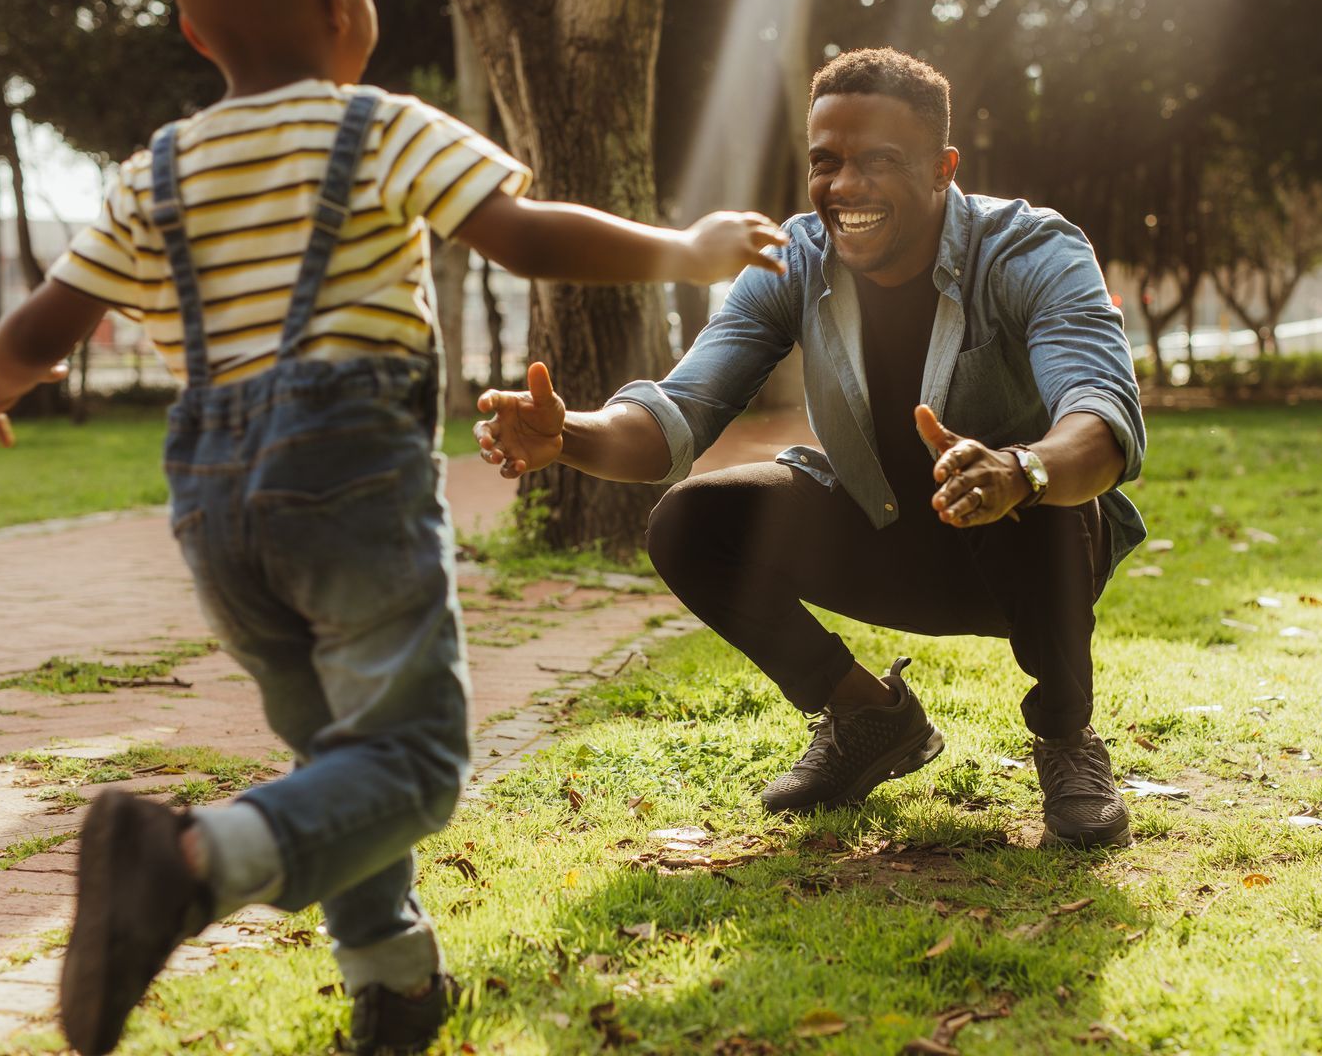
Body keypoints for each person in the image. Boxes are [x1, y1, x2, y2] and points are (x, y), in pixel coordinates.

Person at [0, 0, 785, 1056]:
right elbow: (525, 235)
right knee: (413, 759)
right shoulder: (377, 125)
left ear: (195, 31)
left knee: (340, 757)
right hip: (344, 483)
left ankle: (394, 981)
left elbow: (45, 322)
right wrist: (688, 248)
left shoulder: (156, 172)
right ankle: (188, 860)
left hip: (213, 506)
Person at [474, 47, 1147, 849]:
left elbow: (1100, 418)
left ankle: (1068, 741)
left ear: (943, 168)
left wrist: (1019, 470)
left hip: (1029, 549)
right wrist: (567, 436)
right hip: (885, 535)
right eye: (825, 163)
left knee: (1031, 483)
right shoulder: (790, 262)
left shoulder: (1030, 251)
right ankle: (868, 718)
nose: (845, 187)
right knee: (688, 522)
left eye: (879, 162)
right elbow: (677, 416)